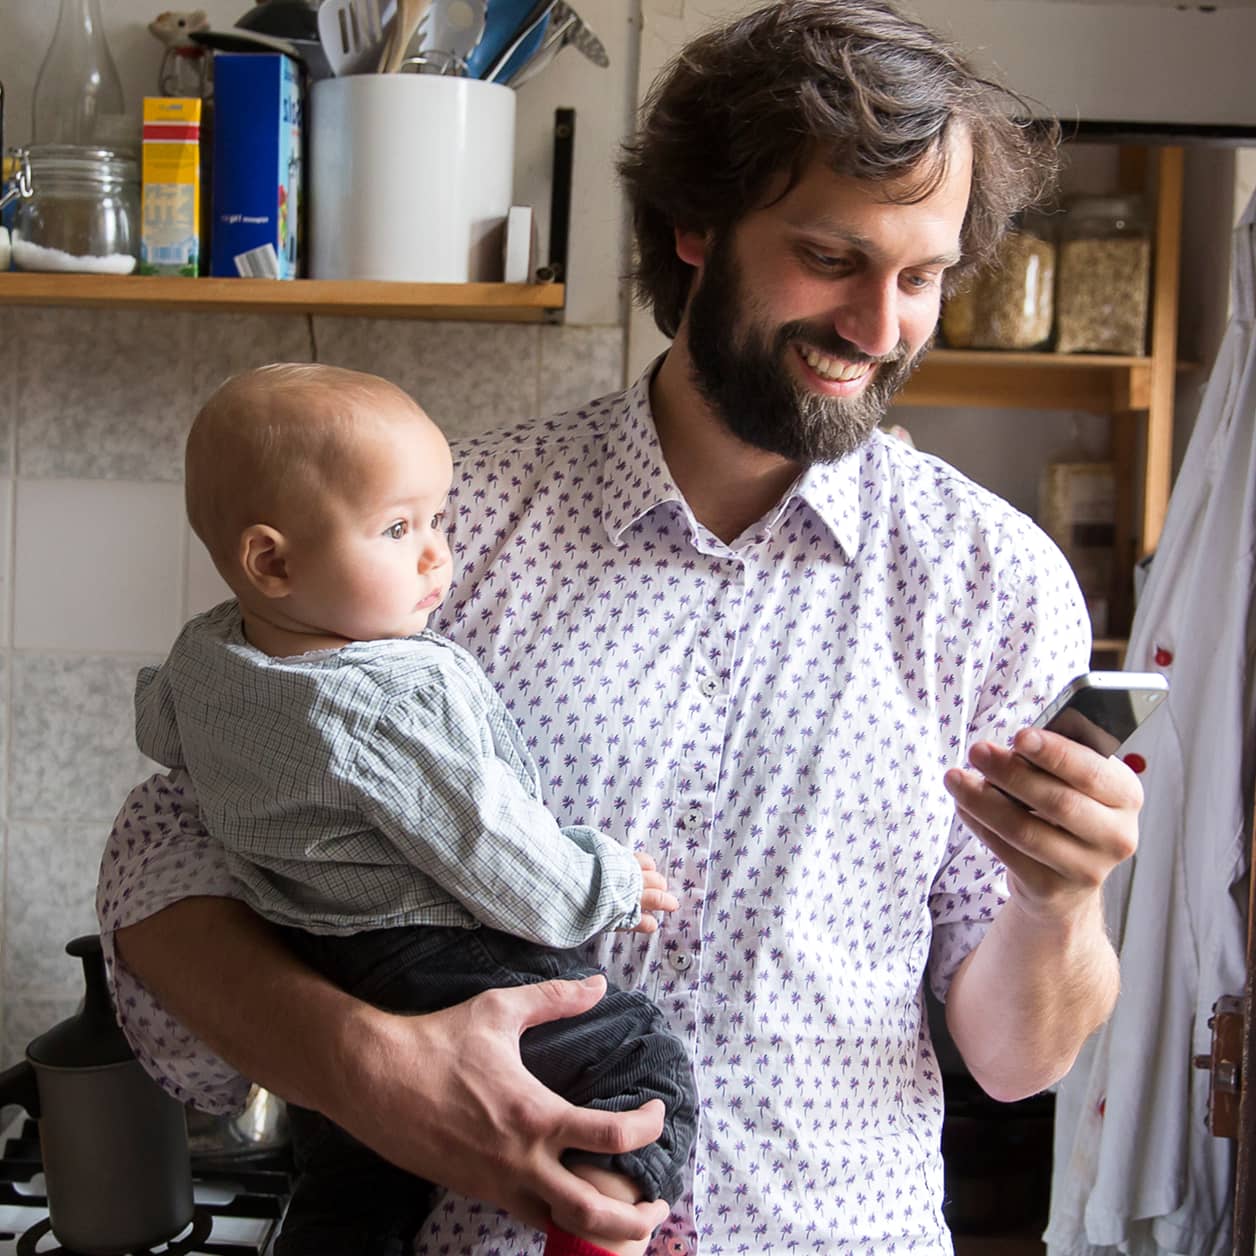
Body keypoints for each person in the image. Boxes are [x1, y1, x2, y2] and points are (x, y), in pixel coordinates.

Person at [96, 1, 1145, 1251]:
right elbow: (162, 858)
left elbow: (1015, 1057)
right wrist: (364, 1064)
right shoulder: (438, 535)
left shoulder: (992, 583)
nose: (878, 329)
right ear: (695, 225)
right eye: (830, 257)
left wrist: (1059, 903)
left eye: (917, 277)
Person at [132, 363, 698, 1256]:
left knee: (353, 1181)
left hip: (315, 957)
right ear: (271, 561)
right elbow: (496, 851)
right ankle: (594, 1238)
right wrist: (610, 882)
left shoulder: (202, 657)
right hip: (431, 954)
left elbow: (161, 731)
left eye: (438, 520)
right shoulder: (393, 702)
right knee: (635, 1062)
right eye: (399, 529)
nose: (437, 554)